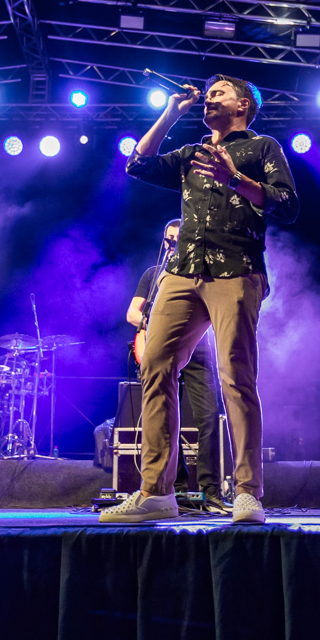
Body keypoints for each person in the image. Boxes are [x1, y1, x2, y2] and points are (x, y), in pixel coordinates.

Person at [101, 73, 299, 524]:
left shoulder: (263, 147)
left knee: (236, 376)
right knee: (155, 365)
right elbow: (138, 164)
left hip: (237, 268)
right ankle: (156, 492)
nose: (209, 98)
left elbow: (287, 204)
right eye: (207, 94)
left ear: (243, 105)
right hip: (182, 270)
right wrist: (170, 113)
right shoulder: (192, 152)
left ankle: (247, 492)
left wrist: (235, 179)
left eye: (219, 93)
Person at [127, 219, 231, 515]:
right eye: (168, 239)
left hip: (199, 350)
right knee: (164, 416)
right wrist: (155, 324)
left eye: (178, 238)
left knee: (208, 417)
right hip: (164, 348)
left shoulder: (200, 270)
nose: (172, 244)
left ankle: (211, 491)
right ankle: (179, 487)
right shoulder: (153, 273)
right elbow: (132, 312)